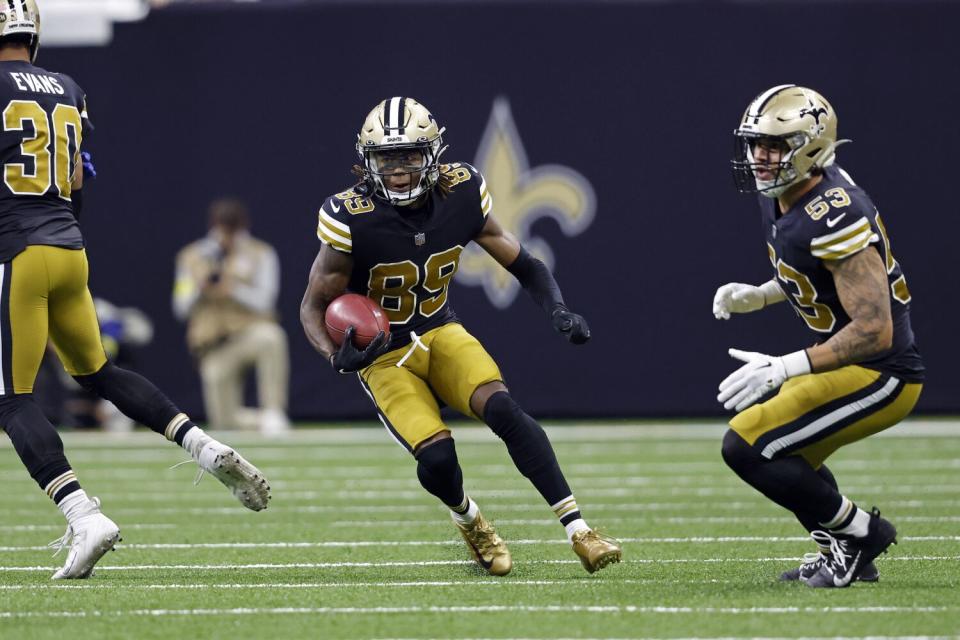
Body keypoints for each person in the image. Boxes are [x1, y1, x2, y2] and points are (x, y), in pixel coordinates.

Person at [0, 1, 270, 580]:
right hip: (70, 249)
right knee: (98, 373)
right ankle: (201, 446)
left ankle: (82, 514)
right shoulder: (67, 86)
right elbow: (75, 177)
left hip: (15, 251)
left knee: (12, 398)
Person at [301, 97, 621, 575]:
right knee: (438, 459)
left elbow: (525, 263)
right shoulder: (351, 216)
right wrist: (334, 357)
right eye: (387, 159)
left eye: (410, 156)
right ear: (367, 161)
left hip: (439, 328)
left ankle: (580, 530)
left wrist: (557, 308)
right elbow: (312, 306)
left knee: (505, 410)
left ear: (433, 154)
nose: (399, 171)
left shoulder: (463, 190)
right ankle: (469, 518)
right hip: (385, 355)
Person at [714, 85, 924, 588]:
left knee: (747, 447)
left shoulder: (834, 212)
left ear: (809, 146)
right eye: (754, 143)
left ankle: (862, 533)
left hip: (882, 372)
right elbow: (817, 277)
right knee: (782, 450)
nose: (759, 157)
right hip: (848, 362)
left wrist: (786, 366)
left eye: (773, 145)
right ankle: (844, 552)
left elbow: (875, 328)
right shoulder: (790, 190)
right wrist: (763, 294)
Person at [173, 197, 290, 435]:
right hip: (213, 346)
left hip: (248, 335)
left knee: (271, 336)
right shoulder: (192, 257)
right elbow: (180, 308)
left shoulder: (261, 253)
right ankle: (264, 422)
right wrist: (199, 288)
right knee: (223, 423)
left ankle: (273, 411)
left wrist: (234, 289)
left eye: (232, 229)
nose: (226, 236)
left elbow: (266, 302)